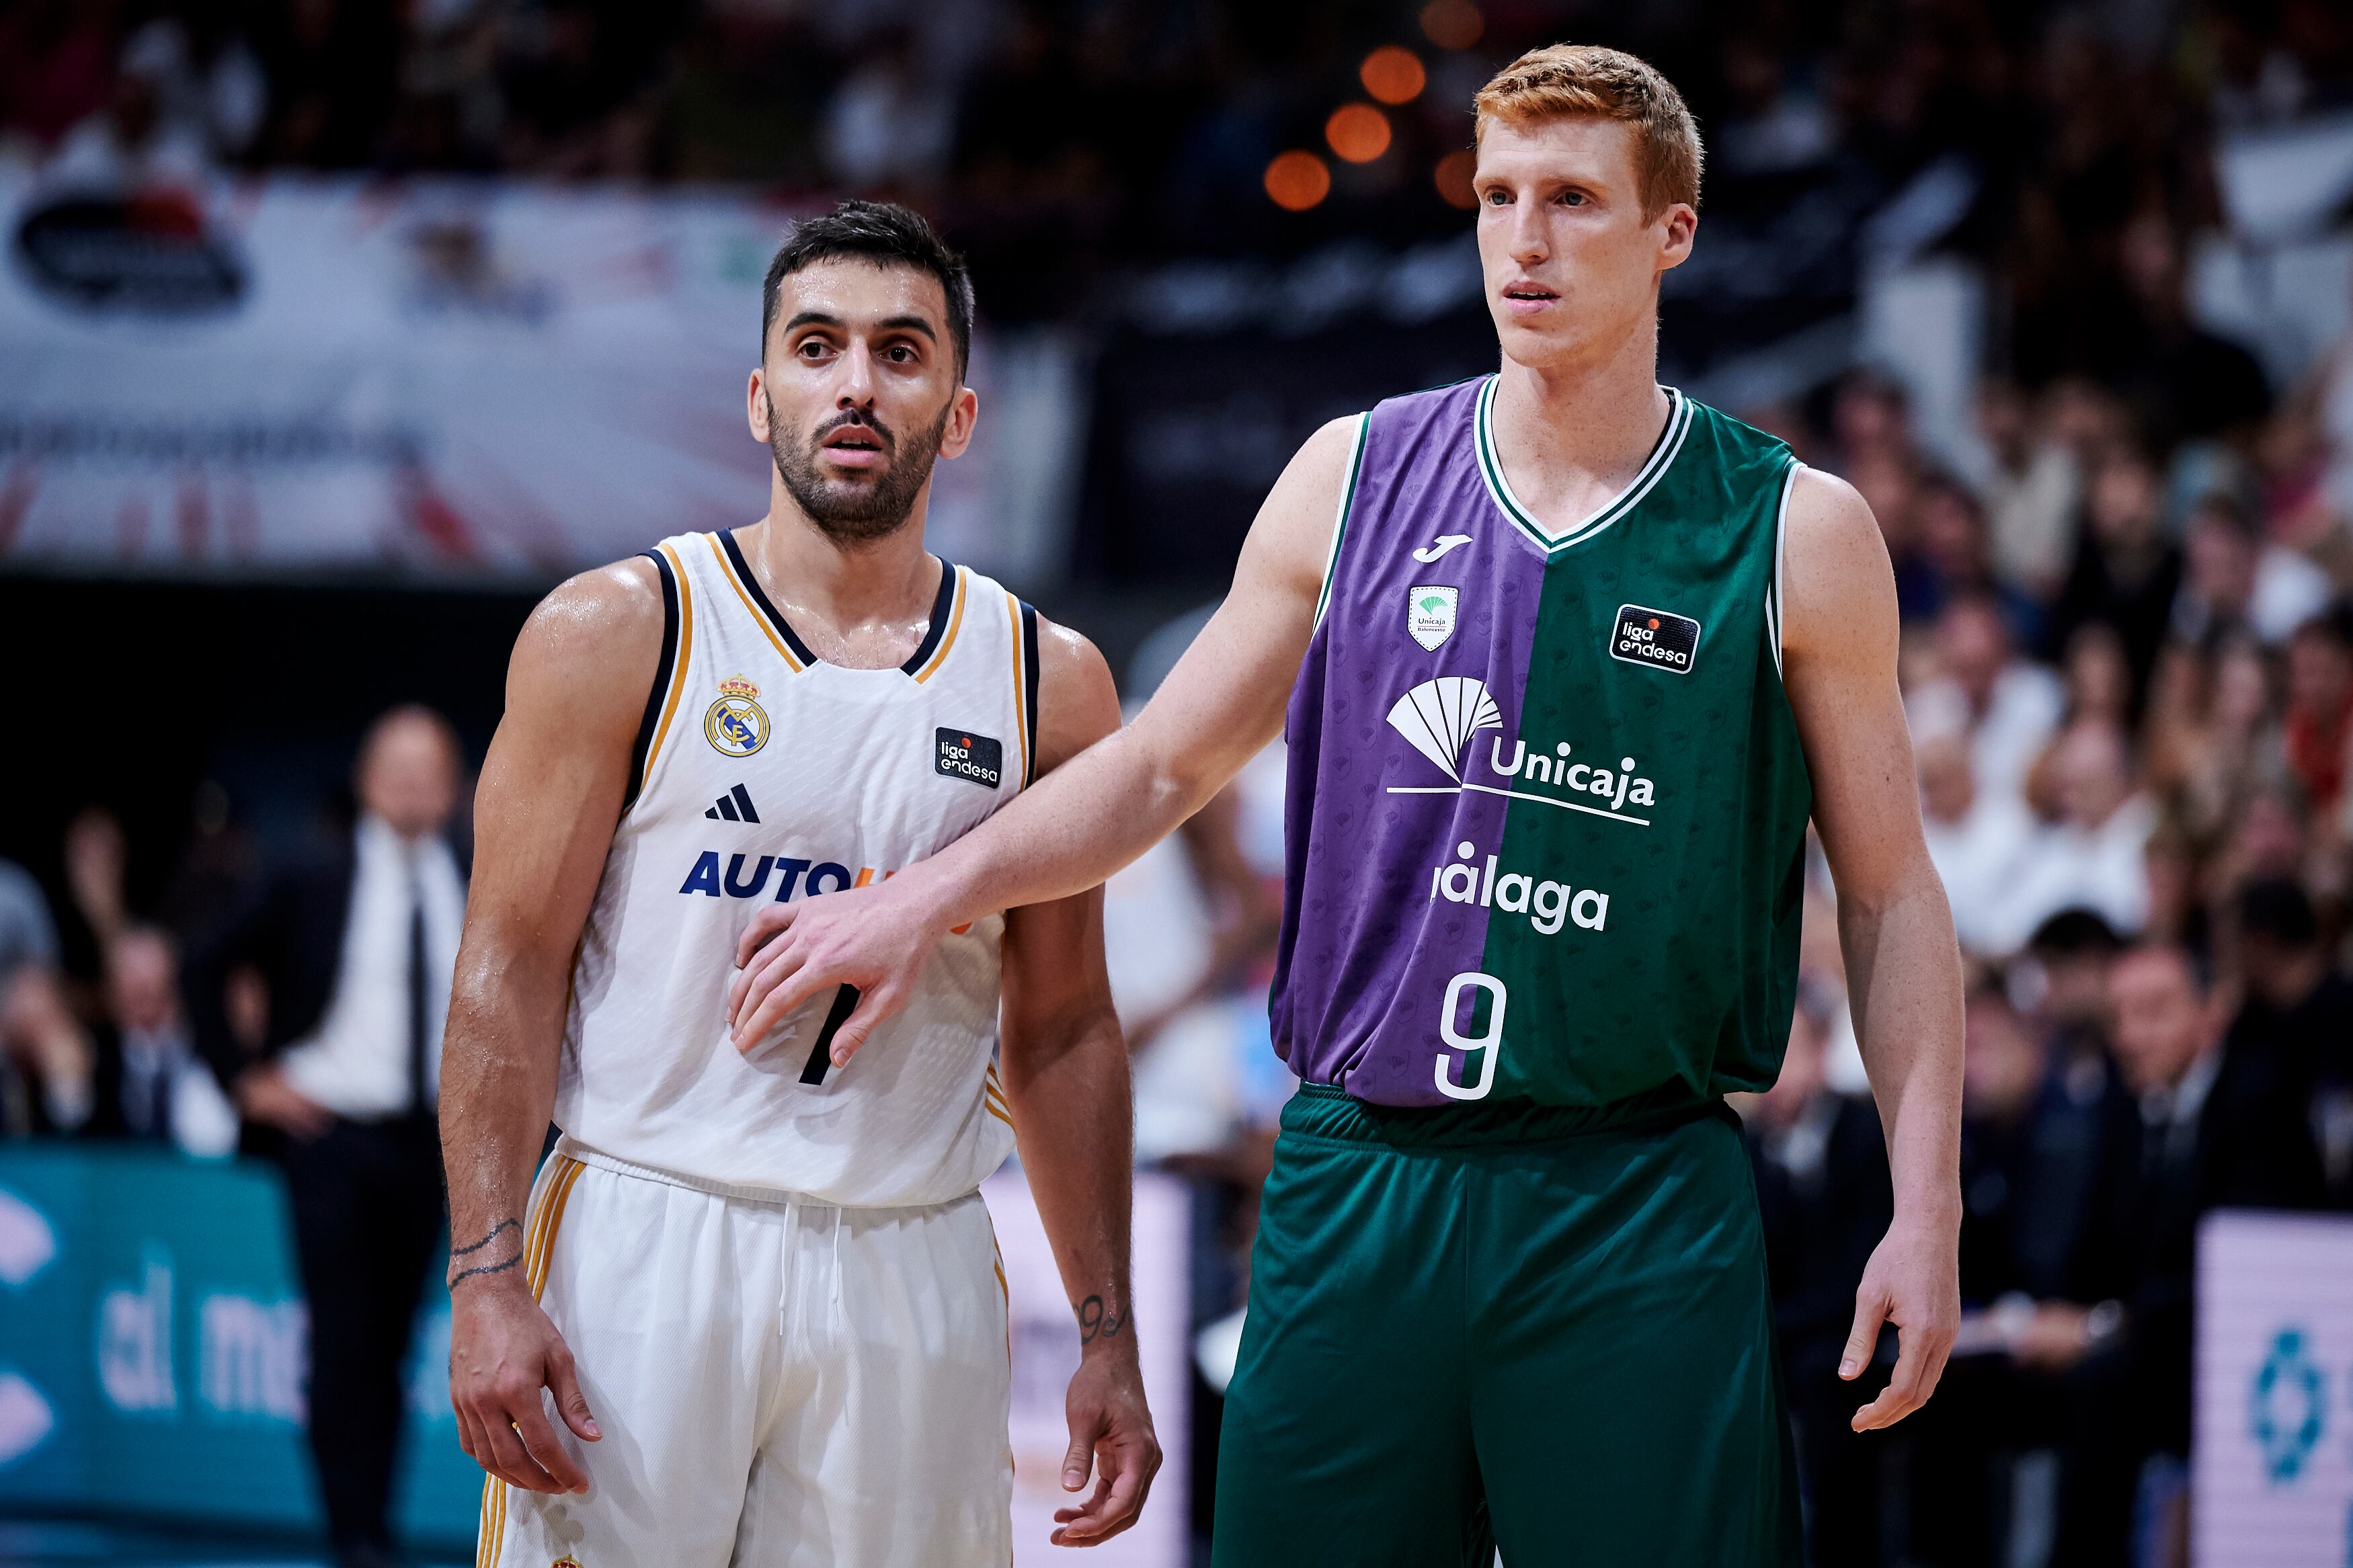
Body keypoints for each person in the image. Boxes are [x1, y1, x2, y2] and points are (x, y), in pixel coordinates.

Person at [731, 48, 1964, 1567]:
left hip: (1633, 1192)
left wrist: (1929, 1207)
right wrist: (917, 897)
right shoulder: (1353, 473)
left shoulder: (1797, 529)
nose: (1524, 238)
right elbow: (1163, 767)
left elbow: (1897, 896)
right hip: (1358, 1179)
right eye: (1497, 196)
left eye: (1574, 200)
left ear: (1673, 233)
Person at [436, 201, 1158, 1568]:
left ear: (957, 411)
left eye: (900, 352)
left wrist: (1106, 1333)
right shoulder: (617, 628)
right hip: (648, 1231)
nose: (855, 384)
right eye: (818, 348)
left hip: (911, 1254)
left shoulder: (1048, 678)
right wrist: (484, 1278)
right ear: (763, 396)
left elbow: (1063, 1023)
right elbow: (504, 967)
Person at [182, 704, 469, 1568]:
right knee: (342, 1340)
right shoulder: (313, 868)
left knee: (394, 1343)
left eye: (430, 768)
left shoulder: (477, 869)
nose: (413, 784)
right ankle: (356, 1538)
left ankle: (376, 1521)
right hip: (331, 1140)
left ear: (453, 784)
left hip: (431, 1143)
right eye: (397, 767)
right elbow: (201, 961)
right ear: (367, 778)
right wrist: (246, 1077)